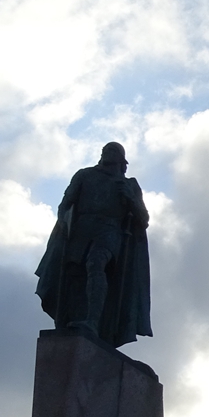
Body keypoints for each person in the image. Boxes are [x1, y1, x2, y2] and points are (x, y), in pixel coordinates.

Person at [35, 142, 154, 348]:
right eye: (106, 150)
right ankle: (69, 319)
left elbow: (143, 219)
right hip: (81, 230)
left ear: (121, 159)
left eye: (113, 151)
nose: (107, 152)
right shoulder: (85, 175)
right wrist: (63, 221)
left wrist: (130, 199)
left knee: (96, 264)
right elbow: (66, 202)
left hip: (110, 231)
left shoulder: (129, 185)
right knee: (74, 277)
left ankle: (92, 321)